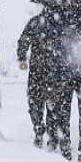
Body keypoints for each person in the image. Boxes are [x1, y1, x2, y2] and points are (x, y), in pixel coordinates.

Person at [42, 2, 81, 162]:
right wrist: (70, 34)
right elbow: (47, 36)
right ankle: (65, 151)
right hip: (62, 72)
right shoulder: (53, 11)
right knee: (63, 113)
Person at [16, 10, 58, 151]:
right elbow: (24, 39)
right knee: (43, 104)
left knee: (39, 103)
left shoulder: (37, 21)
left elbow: (23, 39)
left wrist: (22, 57)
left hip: (46, 70)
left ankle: (46, 133)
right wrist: (22, 57)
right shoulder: (39, 22)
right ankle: (43, 132)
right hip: (45, 70)